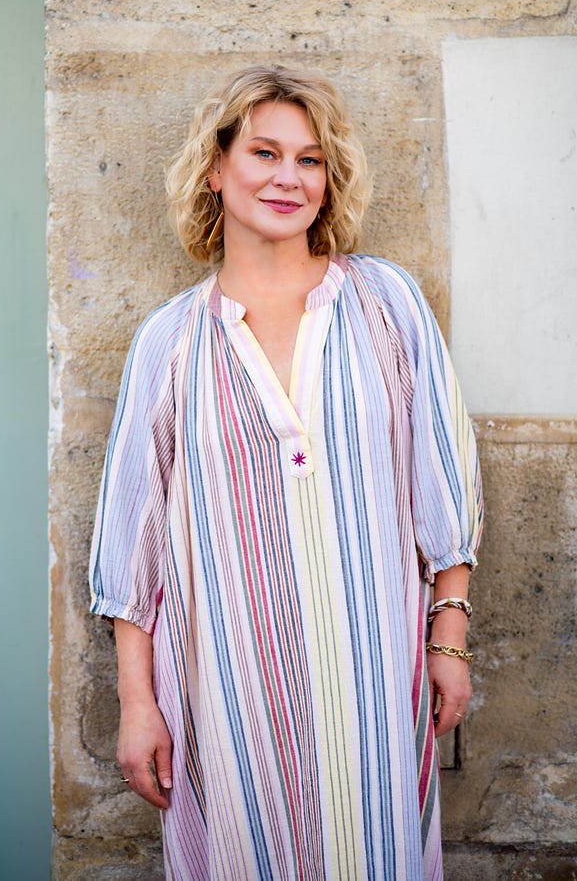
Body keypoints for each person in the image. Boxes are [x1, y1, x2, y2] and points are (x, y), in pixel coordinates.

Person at [89, 64, 483, 880]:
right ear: (216, 167)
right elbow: (136, 539)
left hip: (374, 679)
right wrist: (138, 704)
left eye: (310, 160)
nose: (288, 177)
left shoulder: (386, 303)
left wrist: (450, 635)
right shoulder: (171, 341)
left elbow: (443, 478)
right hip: (228, 691)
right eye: (265, 152)